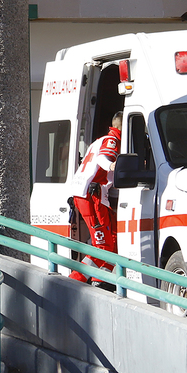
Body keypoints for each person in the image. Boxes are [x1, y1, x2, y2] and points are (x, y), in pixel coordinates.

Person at [69, 112, 122, 284]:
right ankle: (74, 280)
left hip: (90, 194)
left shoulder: (99, 140)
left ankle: (101, 279)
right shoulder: (113, 140)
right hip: (92, 197)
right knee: (103, 246)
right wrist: (113, 166)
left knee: (112, 240)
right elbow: (102, 159)